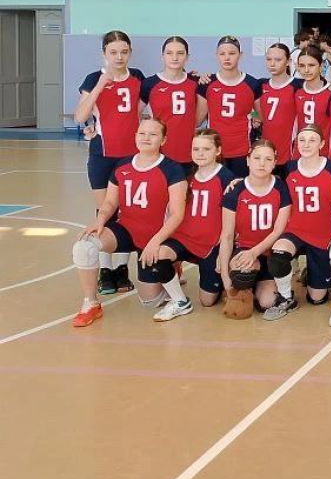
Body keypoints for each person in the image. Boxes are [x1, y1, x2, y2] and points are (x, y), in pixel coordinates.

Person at [70, 118, 187, 327]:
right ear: (135, 136)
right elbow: (110, 202)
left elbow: (177, 214)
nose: (146, 138)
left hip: (155, 236)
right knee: (84, 246)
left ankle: (169, 270)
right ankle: (91, 303)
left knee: (149, 302)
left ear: (163, 140)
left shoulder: (172, 169)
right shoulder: (122, 165)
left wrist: (155, 241)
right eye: (142, 133)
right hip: (126, 230)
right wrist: (100, 220)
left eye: (153, 134)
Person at [74, 30, 146, 295]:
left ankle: (122, 268)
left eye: (124, 51)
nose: (119, 57)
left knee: (128, 211)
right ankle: (105, 269)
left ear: (130, 52)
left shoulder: (137, 77)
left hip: (131, 157)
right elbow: (80, 116)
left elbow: (137, 112)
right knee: (104, 212)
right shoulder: (94, 78)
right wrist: (100, 86)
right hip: (102, 156)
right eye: (113, 52)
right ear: (104, 53)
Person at [151, 130, 235, 321]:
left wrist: (224, 255)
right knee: (159, 255)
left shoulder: (227, 178)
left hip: (210, 245)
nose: (200, 153)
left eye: (206, 149)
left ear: (218, 151)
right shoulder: (185, 176)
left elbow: (233, 221)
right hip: (184, 238)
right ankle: (180, 301)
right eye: (196, 149)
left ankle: (222, 280)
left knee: (207, 301)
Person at [269, 125, 331, 317]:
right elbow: (266, 182)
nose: (306, 144)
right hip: (295, 230)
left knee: (317, 299)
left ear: (322, 144)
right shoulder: (289, 167)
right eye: (302, 140)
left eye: (312, 140)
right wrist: (238, 182)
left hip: (322, 236)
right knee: (278, 253)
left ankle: (313, 274)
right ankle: (286, 297)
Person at [218, 139, 292, 318]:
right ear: (248, 160)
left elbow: (278, 230)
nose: (262, 163)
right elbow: (227, 235)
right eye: (257, 158)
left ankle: (262, 286)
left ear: (274, 163)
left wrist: (255, 252)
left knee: (267, 303)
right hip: (244, 249)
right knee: (241, 273)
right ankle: (243, 286)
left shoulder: (281, 188)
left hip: (270, 253)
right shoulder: (235, 191)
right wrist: (225, 276)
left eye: (268, 159)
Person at [198, 36, 262, 178]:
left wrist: (253, 115)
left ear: (240, 55)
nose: (227, 58)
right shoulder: (207, 83)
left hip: (243, 149)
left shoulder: (252, 83)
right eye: (222, 54)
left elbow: (258, 115)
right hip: (214, 149)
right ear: (216, 55)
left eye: (232, 53)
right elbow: (198, 120)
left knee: (239, 187)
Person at [141, 36, 205, 170]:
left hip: (188, 152)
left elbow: (198, 120)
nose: (174, 58)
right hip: (159, 152)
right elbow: (133, 115)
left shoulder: (196, 83)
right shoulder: (149, 84)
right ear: (162, 56)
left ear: (187, 57)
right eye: (169, 53)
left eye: (180, 53)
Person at [258, 43, 301, 175]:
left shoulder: (298, 86)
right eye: (269, 59)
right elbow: (248, 106)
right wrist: (255, 117)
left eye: (278, 60)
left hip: (289, 152)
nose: (272, 64)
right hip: (266, 152)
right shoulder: (260, 85)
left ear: (288, 61)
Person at [293, 46, 331, 156]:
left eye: (311, 65)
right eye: (302, 66)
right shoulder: (296, 91)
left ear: (321, 66)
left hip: (323, 154)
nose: (306, 70)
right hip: (300, 153)